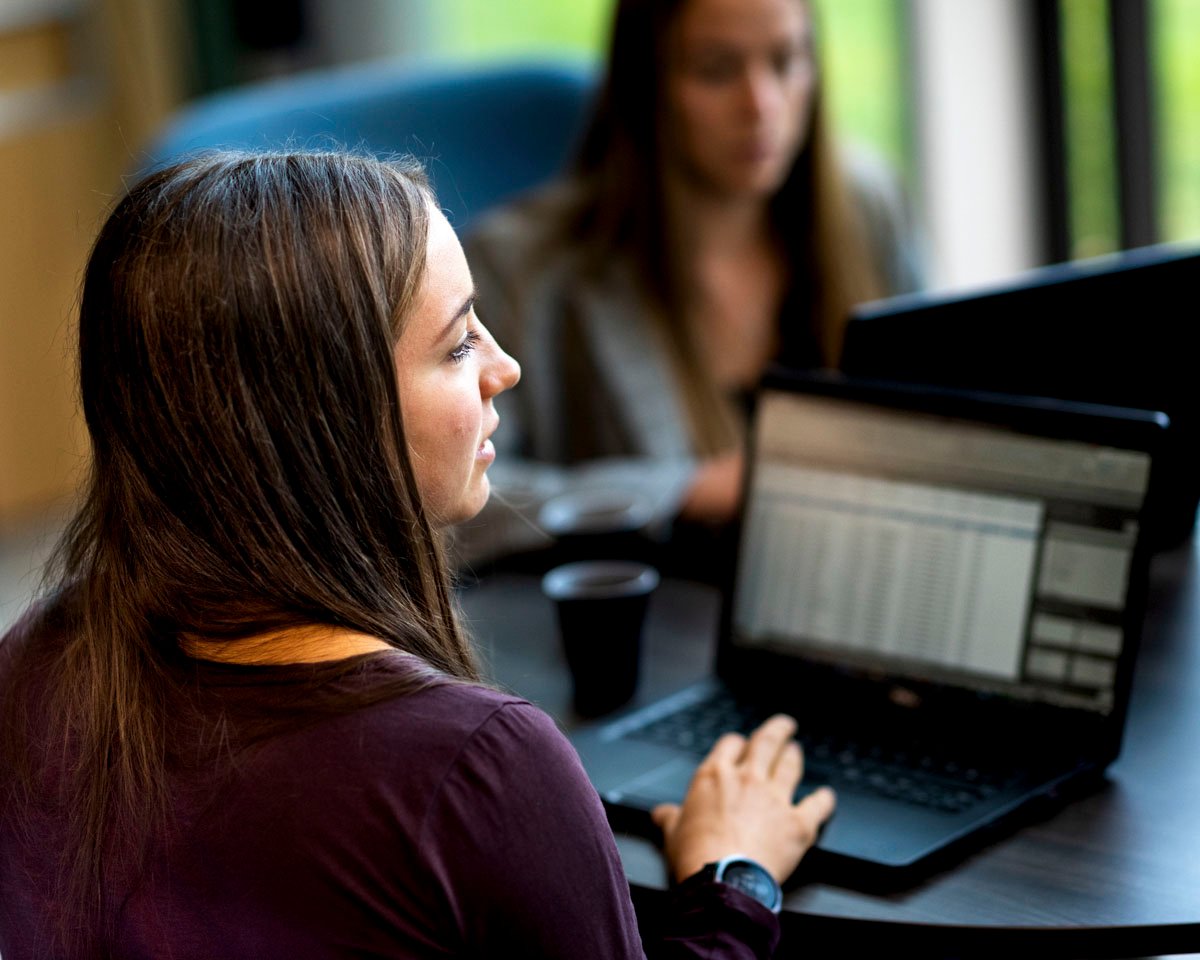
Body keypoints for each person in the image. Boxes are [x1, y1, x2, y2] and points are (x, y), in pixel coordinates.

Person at [0, 151, 835, 959]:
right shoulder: (479, 773)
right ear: (325, 419)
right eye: (457, 344)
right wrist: (735, 880)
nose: (503, 368)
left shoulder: (35, 657)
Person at [456, 0, 923, 571]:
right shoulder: (521, 265)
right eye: (716, 70)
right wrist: (685, 491)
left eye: (786, 61)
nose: (762, 105)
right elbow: (458, 505)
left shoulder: (867, 206)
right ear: (646, 83)